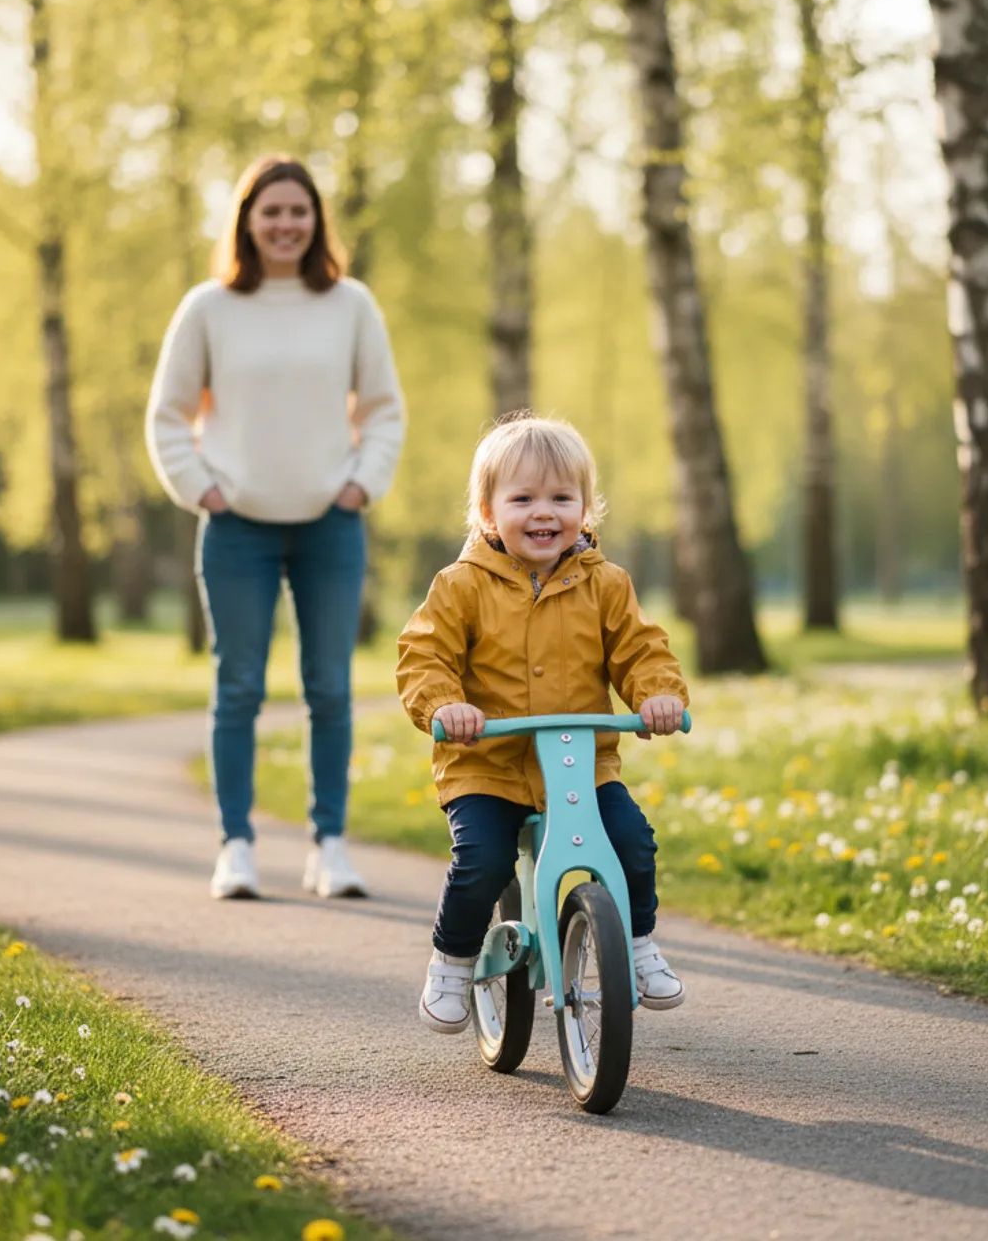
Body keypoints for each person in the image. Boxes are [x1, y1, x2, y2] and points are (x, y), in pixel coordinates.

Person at [146, 154, 405, 901]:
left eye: (299, 211)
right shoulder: (208, 308)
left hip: (331, 523)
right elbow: (168, 415)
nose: (287, 224)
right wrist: (202, 489)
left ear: (316, 221)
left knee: (330, 689)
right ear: (247, 222)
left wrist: (362, 483)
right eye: (272, 212)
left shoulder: (350, 304)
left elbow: (383, 408)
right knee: (239, 688)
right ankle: (237, 845)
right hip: (238, 530)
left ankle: (330, 845)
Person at [396, 415, 689, 1033]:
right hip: (487, 765)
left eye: (562, 498)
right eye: (523, 498)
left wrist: (657, 695)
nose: (543, 513)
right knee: (483, 859)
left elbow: (641, 650)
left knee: (632, 842)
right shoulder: (460, 587)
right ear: (486, 512)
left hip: (581, 766)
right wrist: (446, 705)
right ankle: (451, 962)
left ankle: (635, 945)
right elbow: (425, 656)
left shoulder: (605, 585)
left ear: (585, 510)